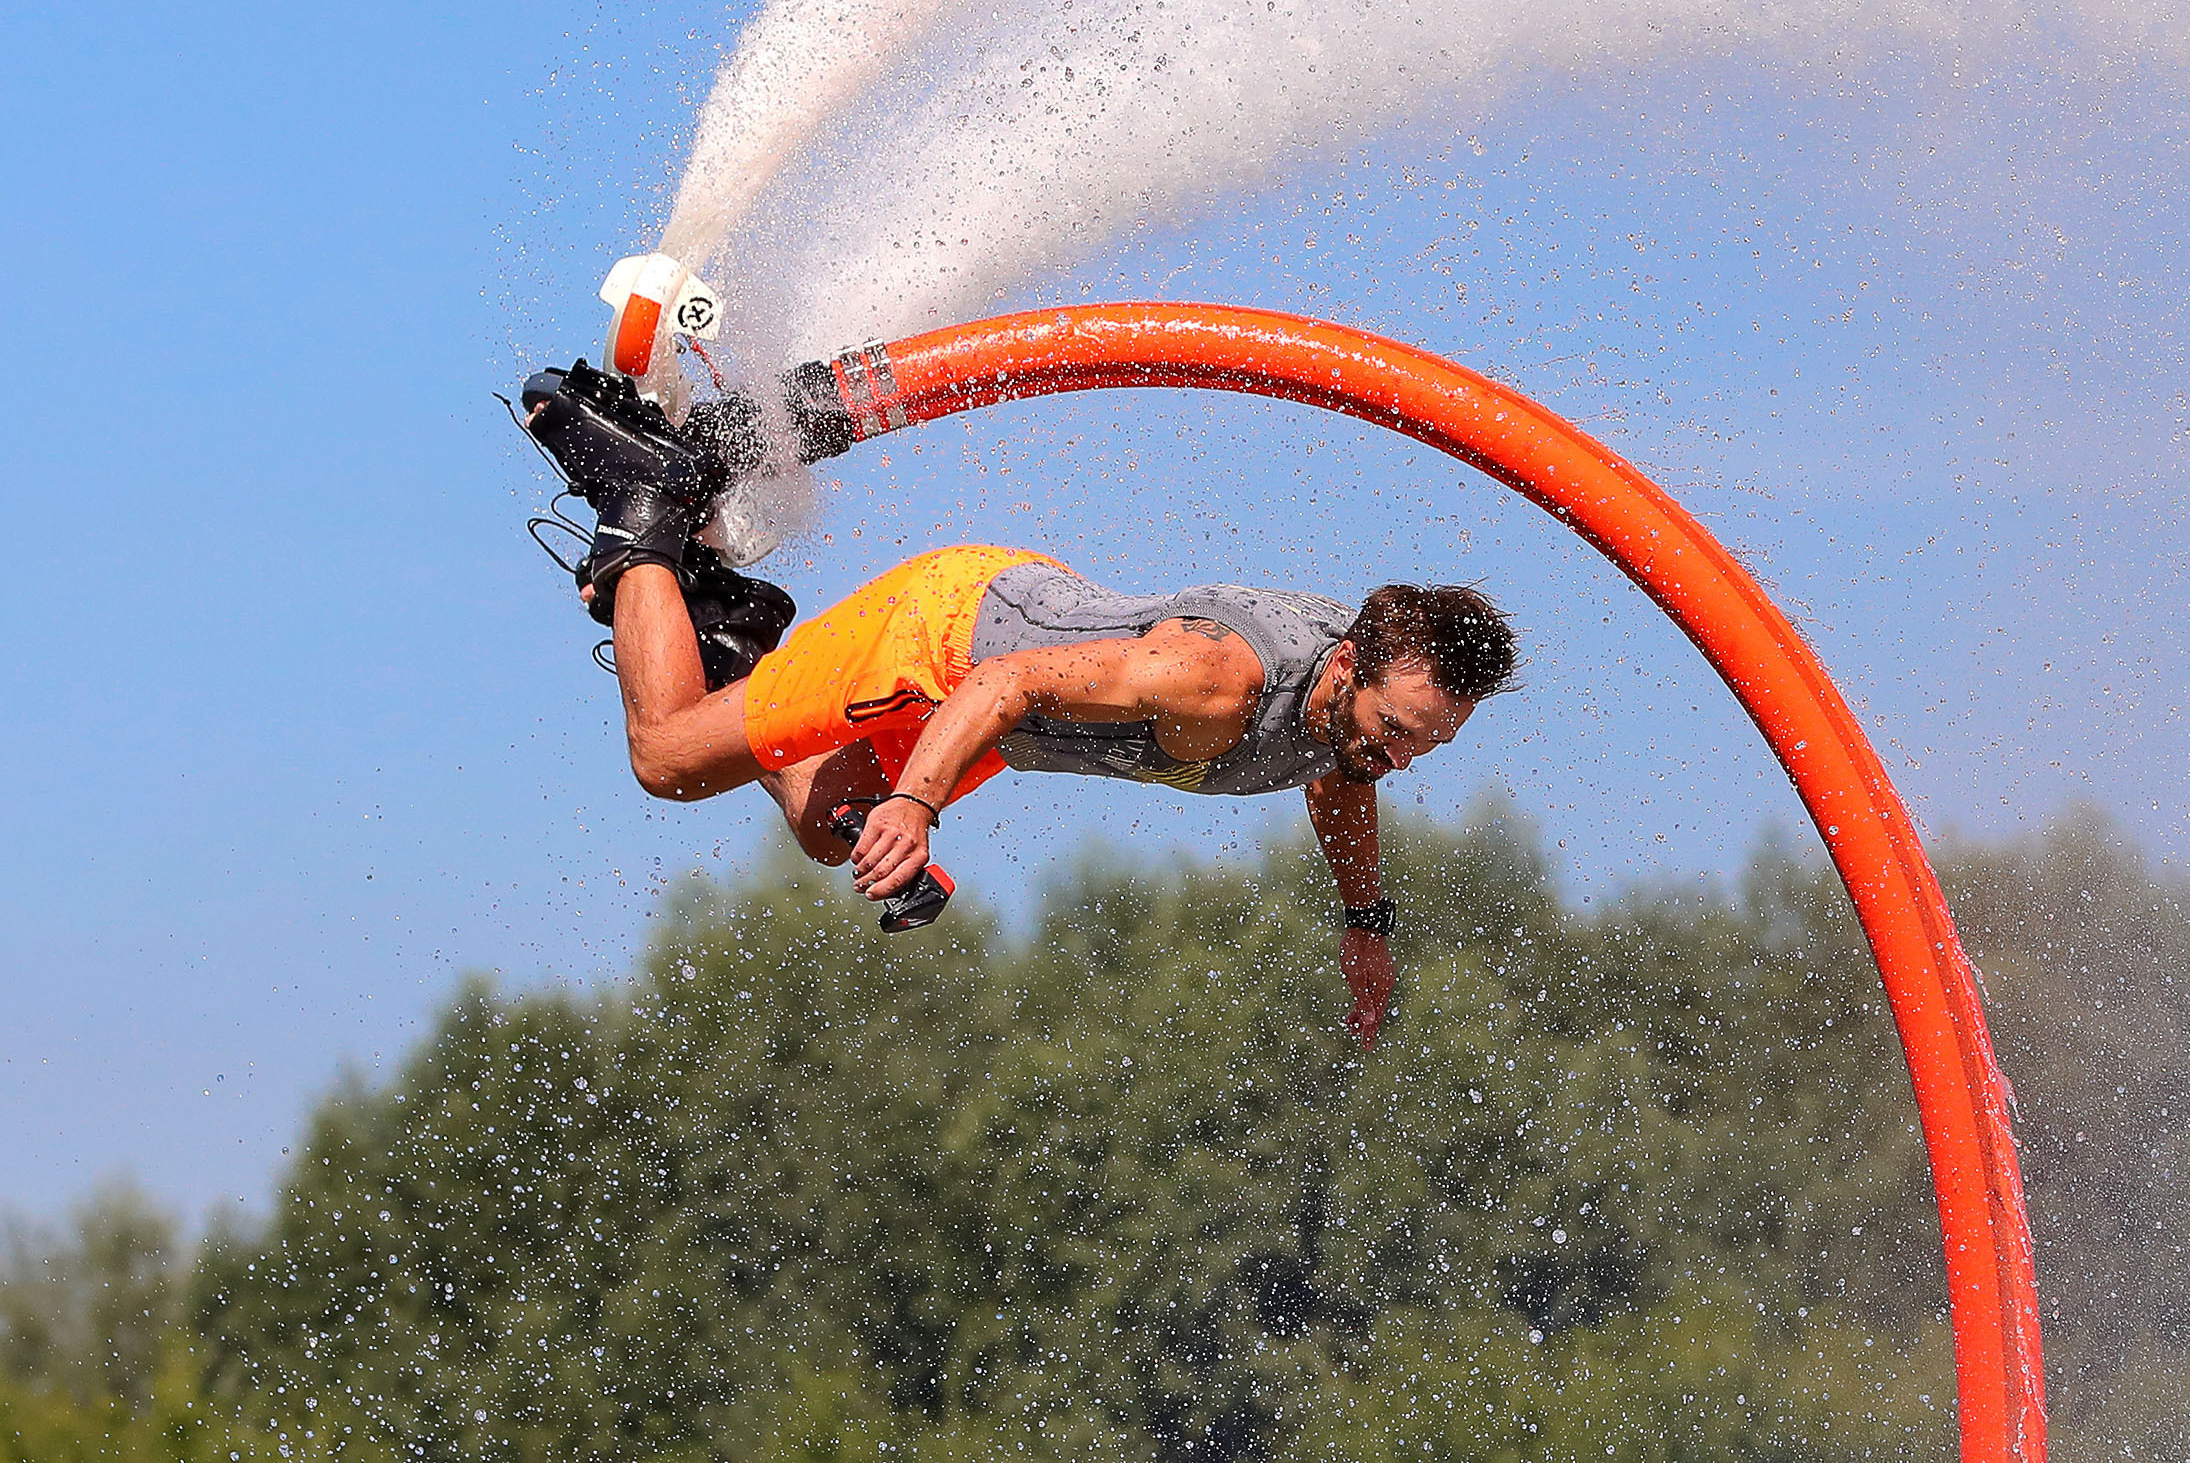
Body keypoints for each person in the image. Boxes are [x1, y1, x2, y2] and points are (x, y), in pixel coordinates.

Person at [520, 361, 1518, 1046]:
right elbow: (1000, 685)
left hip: (1013, 686)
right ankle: (643, 500)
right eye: (1393, 733)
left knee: (833, 828)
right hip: (951, 642)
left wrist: (1364, 920)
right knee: (670, 758)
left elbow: (1338, 782)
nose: (1394, 760)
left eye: (1424, 748)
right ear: (1347, 664)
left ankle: (729, 636)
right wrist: (918, 806)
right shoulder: (1214, 681)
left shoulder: (1350, 727)